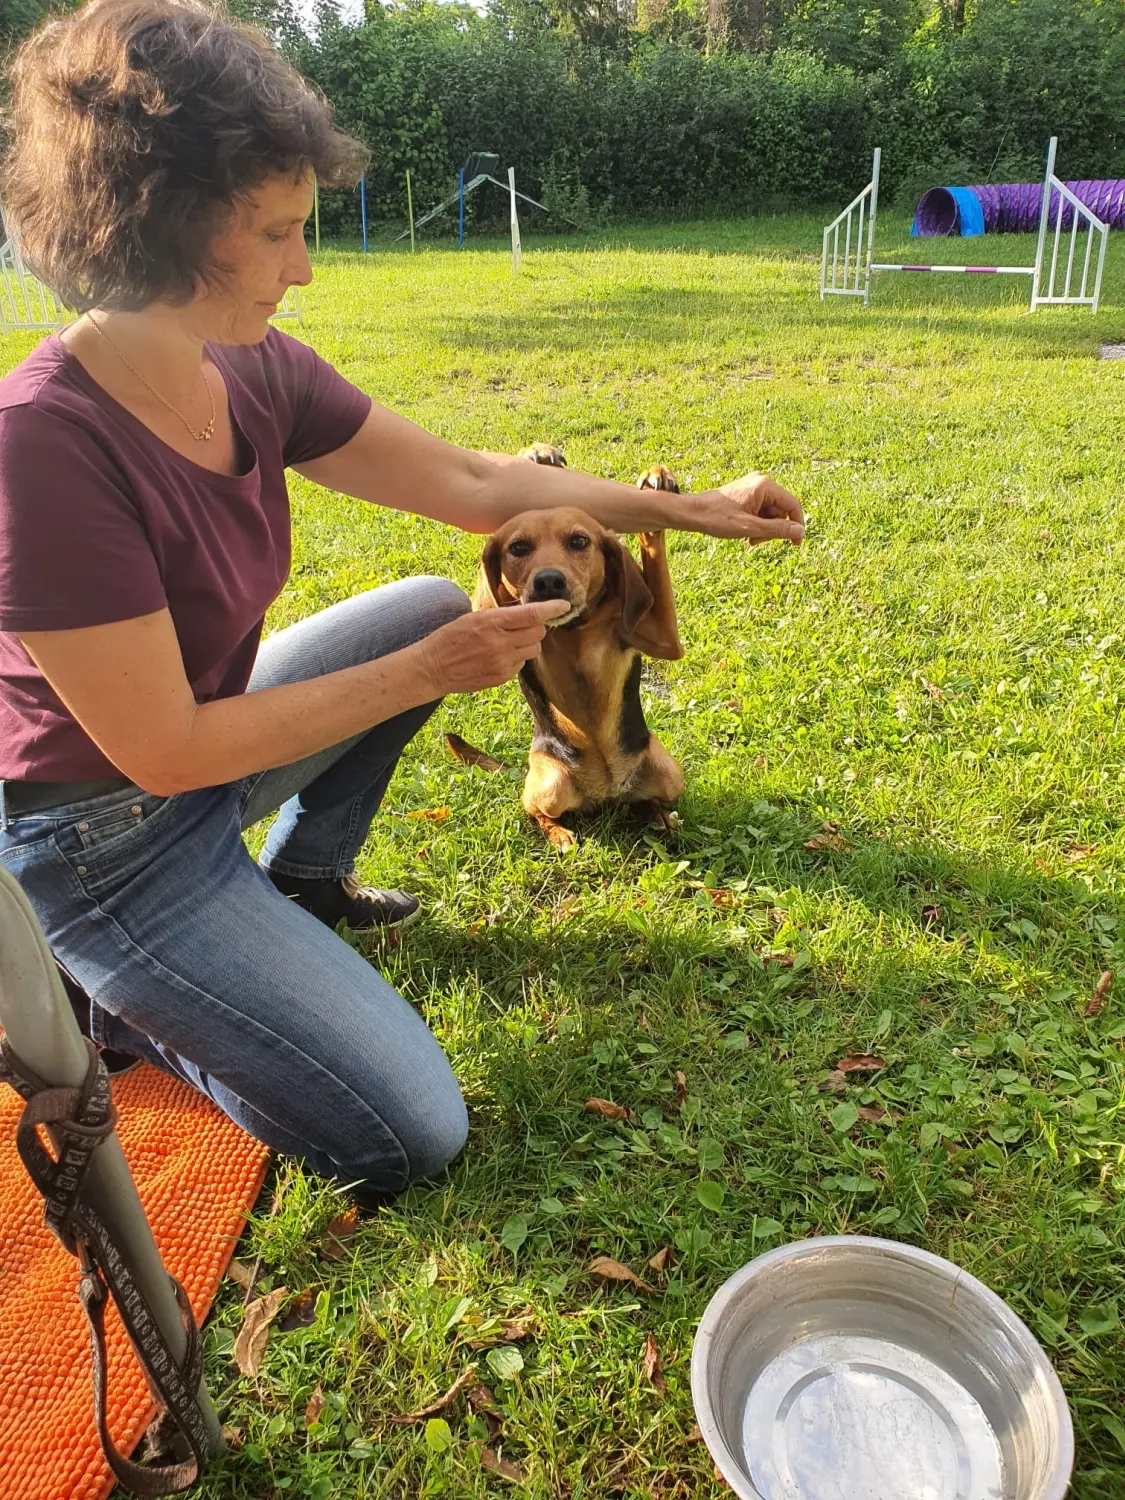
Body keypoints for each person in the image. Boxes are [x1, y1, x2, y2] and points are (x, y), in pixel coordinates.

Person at [0, 0, 805, 1200]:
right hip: (97, 841)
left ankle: (301, 885)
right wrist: (431, 674)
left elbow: (475, 483)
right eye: (274, 234)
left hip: (205, 760)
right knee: (407, 1131)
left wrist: (698, 508)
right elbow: (161, 748)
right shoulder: (41, 447)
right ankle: (101, 999)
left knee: (428, 599)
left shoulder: (253, 368)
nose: (304, 267)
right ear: (158, 232)